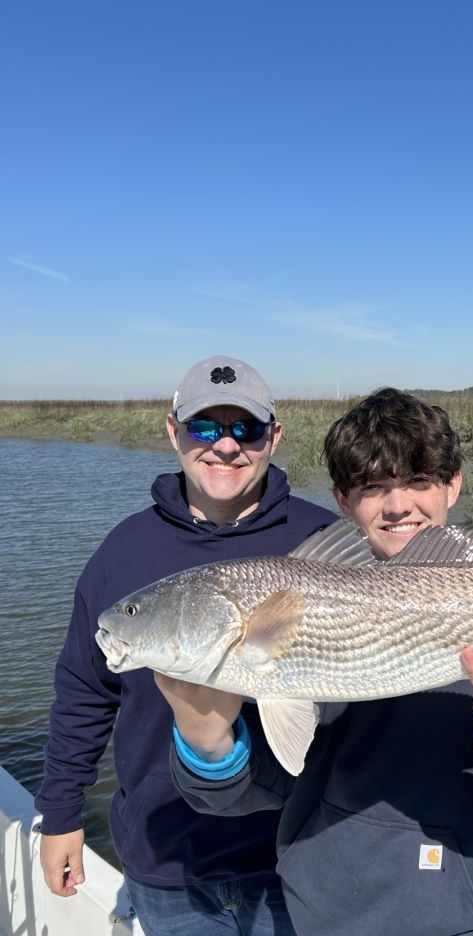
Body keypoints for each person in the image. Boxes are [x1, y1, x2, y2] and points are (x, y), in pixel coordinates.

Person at [160, 388, 473, 936]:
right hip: (327, 918)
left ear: (453, 485)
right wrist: (207, 741)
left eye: (419, 481)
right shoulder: (303, 601)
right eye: (372, 487)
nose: (397, 506)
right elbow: (266, 785)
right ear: (342, 501)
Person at [35, 355, 337, 935]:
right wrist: (61, 812)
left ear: (274, 437)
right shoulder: (123, 552)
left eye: (245, 428)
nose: (225, 445)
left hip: (300, 857)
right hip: (169, 863)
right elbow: (83, 693)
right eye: (203, 427)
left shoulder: (324, 538)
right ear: (173, 431)